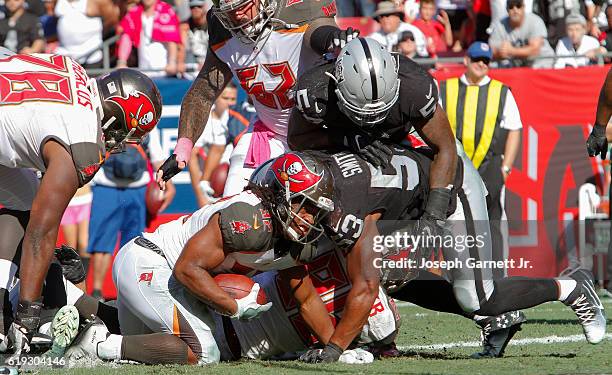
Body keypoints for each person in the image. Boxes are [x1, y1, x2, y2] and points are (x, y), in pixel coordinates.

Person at [258, 150, 607, 364]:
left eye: (306, 207)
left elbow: (365, 286)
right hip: (409, 196)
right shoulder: (324, 174)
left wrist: (335, 349)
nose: (300, 215)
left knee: (478, 295)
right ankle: (496, 321)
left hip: (448, 184)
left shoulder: (349, 208)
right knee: (397, 274)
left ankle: (571, 287)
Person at [58, 165, 342, 365]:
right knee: (204, 352)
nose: (309, 218)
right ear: (282, 196)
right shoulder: (250, 222)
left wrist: (335, 348)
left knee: (143, 342)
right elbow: (186, 269)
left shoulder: (290, 241)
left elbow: (305, 297)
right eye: (304, 205)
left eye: (316, 211)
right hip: (152, 262)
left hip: (158, 271)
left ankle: (67, 296)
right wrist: (234, 307)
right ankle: (98, 344)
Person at [0, 50, 163, 357]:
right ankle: (15, 321)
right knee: (35, 216)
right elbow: (42, 232)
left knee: (23, 196)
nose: (120, 141)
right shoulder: (84, 142)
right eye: (126, 133)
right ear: (116, 115)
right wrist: (27, 315)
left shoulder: (70, 66)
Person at [155, 0, 360, 193]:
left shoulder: (292, 9)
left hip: (319, 134)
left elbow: (317, 30)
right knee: (233, 205)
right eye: (230, 9)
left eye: (244, 4)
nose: (238, 13)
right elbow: (203, 92)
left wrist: (332, 38)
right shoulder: (221, 28)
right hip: (268, 135)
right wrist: (182, 148)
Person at [439, 41, 522, 279]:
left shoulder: (501, 91)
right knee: (453, 220)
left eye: (486, 61)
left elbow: (514, 129)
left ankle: (497, 276)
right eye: (477, 60)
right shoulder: (447, 88)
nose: (481, 65)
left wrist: (506, 167)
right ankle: (456, 276)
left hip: (491, 165)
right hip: (456, 166)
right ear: (466, 61)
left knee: (493, 221)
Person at [87, 127, 175, 301]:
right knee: (102, 243)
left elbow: (156, 155)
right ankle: (96, 292)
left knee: (132, 246)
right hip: (106, 185)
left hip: (137, 188)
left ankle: (128, 293)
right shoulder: (107, 112)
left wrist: (168, 181)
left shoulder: (148, 119)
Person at [188, 82, 239, 207]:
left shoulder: (237, 119)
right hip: (209, 182)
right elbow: (192, 156)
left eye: (233, 99)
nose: (230, 103)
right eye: (225, 98)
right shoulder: (202, 119)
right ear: (215, 98)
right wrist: (200, 193)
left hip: (231, 182)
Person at [116, 0, 182, 75]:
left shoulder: (166, 10)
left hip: (163, 70)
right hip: (144, 71)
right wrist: (122, 62)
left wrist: (172, 62)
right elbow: (126, 36)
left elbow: (172, 39)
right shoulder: (134, 12)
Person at [488, 0, 554, 68]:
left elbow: (535, 50)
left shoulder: (535, 21)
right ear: (507, 9)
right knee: (494, 65)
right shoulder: (500, 25)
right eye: (511, 7)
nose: (515, 10)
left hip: (541, 62)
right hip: (516, 66)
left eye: (518, 6)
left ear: (523, 7)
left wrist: (511, 51)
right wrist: (500, 52)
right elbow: (491, 51)